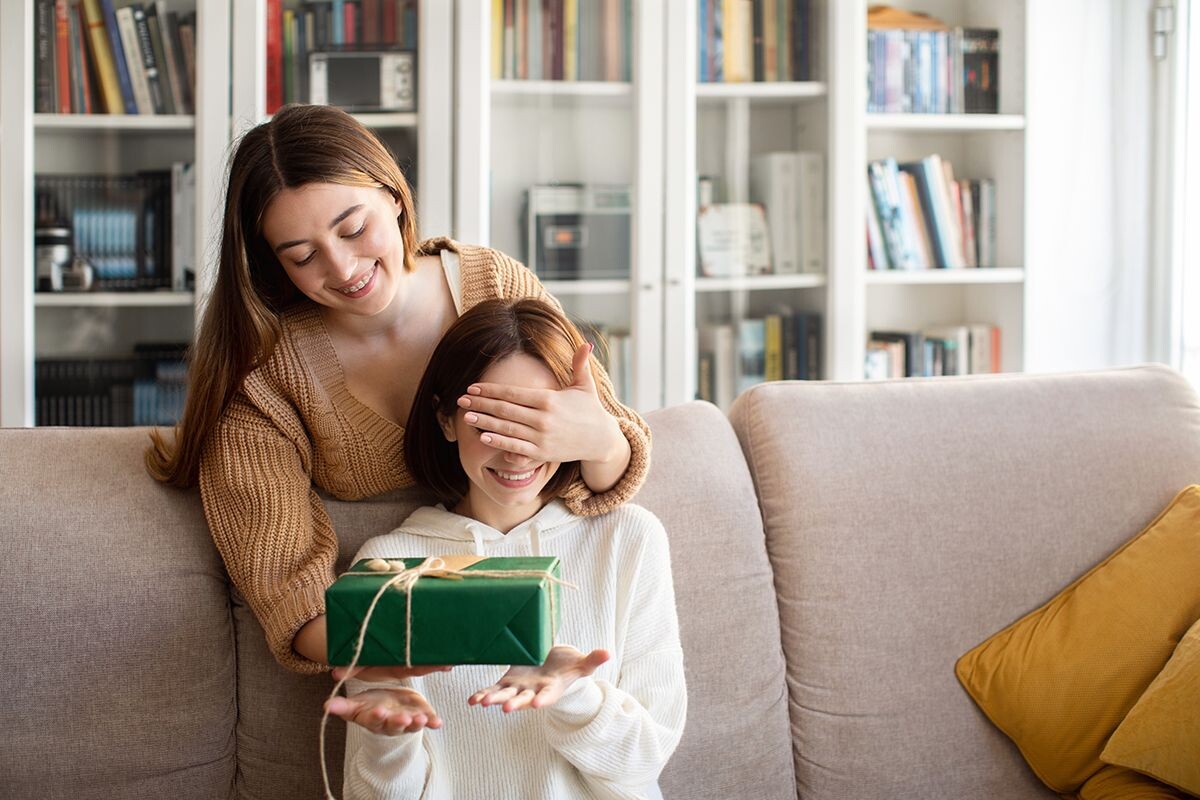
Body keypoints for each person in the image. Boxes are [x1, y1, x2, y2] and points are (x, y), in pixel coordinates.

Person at [144, 103, 651, 677]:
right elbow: (291, 600)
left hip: (564, 586)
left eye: (354, 228)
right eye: (304, 257)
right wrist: (406, 651)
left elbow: (612, 479)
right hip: (398, 636)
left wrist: (599, 439)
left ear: (393, 193)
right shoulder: (263, 375)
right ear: (272, 265)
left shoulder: (491, 286)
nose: (342, 268)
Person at [325, 298, 685, 800]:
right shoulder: (391, 565)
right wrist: (389, 741)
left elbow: (645, 761)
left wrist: (573, 695)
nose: (516, 450)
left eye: (533, 421)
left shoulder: (629, 540)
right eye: (491, 422)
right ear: (446, 420)